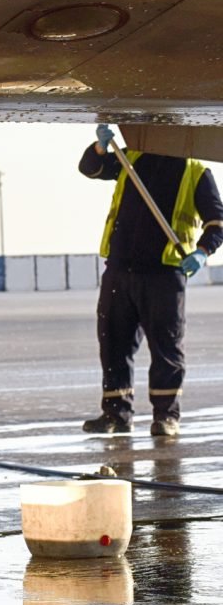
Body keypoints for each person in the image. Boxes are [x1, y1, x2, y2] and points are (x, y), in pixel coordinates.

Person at [79, 123, 223, 436]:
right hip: (120, 270)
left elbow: (217, 222)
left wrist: (201, 252)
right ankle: (116, 415)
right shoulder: (131, 158)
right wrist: (101, 148)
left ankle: (166, 417)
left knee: (166, 348)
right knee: (113, 343)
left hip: (164, 274)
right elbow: (90, 168)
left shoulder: (195, 171)